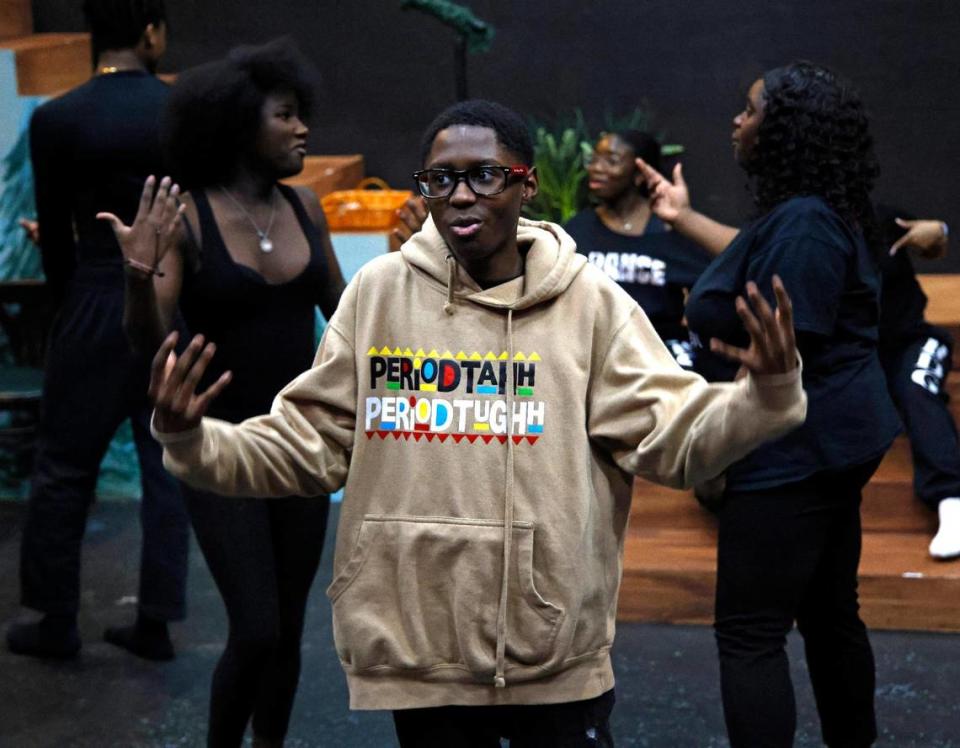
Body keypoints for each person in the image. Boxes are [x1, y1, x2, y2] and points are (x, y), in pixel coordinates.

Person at [122, 99, 806, 747]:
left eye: (485, 175)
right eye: (442, 178)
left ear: (526, 184)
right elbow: (308, 444)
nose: (461, 195)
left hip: (553, 665)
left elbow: (673, 435)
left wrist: (763, 398)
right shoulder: (380, 294)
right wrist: (194, 438)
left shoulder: (590, 306)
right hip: (420, 659)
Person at [639, 62, 900, 747]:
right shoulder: (806, 213)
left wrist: (719, 322)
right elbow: (764, 266)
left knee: (751, 634)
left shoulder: (808, 220)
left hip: (797, 448)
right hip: (833, 437)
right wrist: (683, 217)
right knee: (828, 612)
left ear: (783, 130)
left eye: (749, 110)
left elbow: (792, 331)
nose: (736, 120)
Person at [99, 40, 346, 747]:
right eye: (287, 115)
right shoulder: (192, 217)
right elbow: (149, 341)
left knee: (288, 630)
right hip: (217, 446)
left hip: (298, 446)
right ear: (241, 123)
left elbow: (349, 314)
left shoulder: (304, 208)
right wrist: (139, 276)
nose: (303, 130)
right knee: (257, 626)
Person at [5, 0, 189, 662]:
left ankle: (55, 620)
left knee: (61, 467)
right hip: (166, 296)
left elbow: (53, 229)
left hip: (89, 290)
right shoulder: (180, 111)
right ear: (150, 33)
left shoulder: (57, 118)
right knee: (166, 463)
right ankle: (157, 622)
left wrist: (67, 306)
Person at [564, 130, 711, 368]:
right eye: (594, 159)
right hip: (593, 355)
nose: (596, 168)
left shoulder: (670, 230)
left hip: (663, 357)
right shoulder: (577, 230)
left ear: (640, 173)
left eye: (611, 160)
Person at [876, 207, 960, 560]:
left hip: (910, 340)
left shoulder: (878, 218)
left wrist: (938, 229)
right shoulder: (797, 228)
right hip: (856, 357)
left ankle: (952, 502)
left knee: (917, 386)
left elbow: (931, 240)